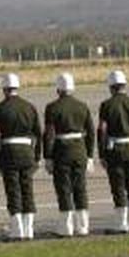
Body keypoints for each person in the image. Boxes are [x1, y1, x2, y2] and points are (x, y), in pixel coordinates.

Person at [0, 73, 41, 240]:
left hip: (9, 153)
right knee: (28, 190)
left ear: (4, 89)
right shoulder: (30, 107)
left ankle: (17, 230)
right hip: (27, 153)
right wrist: (37, 156)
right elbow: (38, 134)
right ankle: (29, 230)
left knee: (13, 191)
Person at [97, 69, 129, 233]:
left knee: (118, 187)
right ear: (124, 85)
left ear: (111, 87)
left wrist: (102, 154)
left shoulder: (106, 105)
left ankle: (121, 224)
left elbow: (102, 131)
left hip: (115, 152)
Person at [44, 72, 95, 236]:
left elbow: (49, 135)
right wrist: (90, 155)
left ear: (58, 89)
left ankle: (66, 227)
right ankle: (83, 226)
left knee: (64, 189)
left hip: (61, 152)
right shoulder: (82, 106)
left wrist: (48, 156)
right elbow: (91, 132)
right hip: (80, 150)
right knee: (80, 188)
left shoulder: (52, 108)